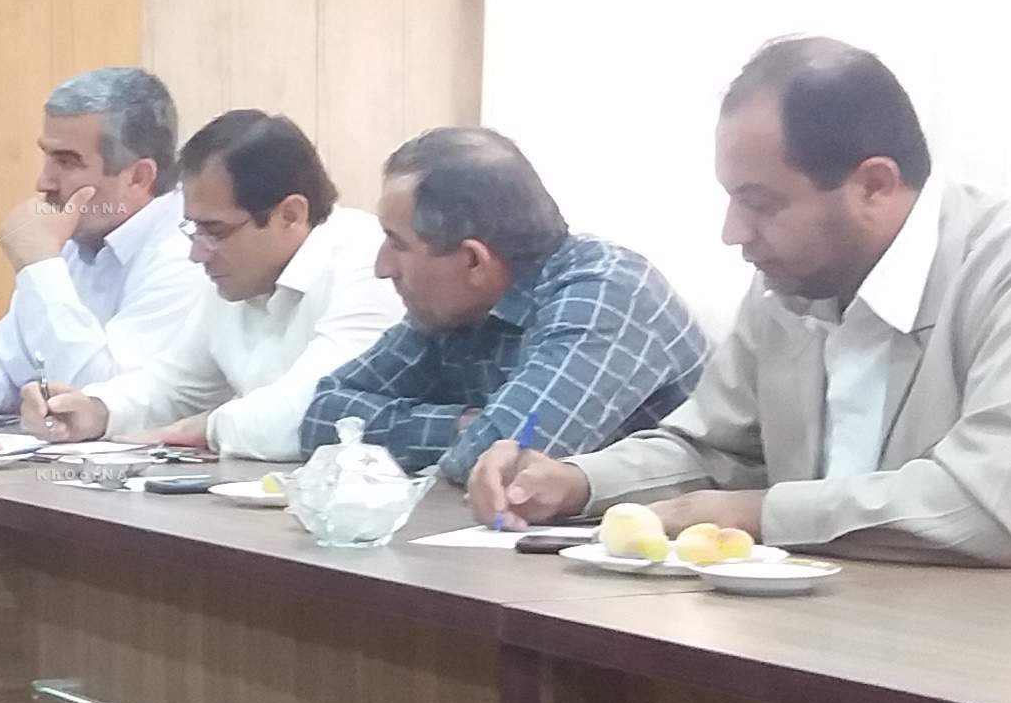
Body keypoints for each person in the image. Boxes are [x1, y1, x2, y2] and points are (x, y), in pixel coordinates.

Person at [483, 39, 1011, 567]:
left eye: (760, 203)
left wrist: (756, 515)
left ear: (874, 184)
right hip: (843, 631)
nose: (733, 233)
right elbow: (717, 450)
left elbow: (1002, 507)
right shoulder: (790, 282)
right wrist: (576, 482)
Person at [295, 126, 705, 476]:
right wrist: (461, 425)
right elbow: (323, 416)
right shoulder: (454, 309)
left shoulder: (609, 295)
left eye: (397, 244)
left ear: (474, 260)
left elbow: (500, 463)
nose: (382, 267)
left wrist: (477, 436)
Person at [23, 110, 402, 460]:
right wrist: (96, 410)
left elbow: (317, 414)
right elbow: (176, 386)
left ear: (290, 215)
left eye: (215, 230)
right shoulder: (237, 275)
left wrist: (207, 427)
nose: (197, 254)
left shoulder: (367, 266)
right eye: (194, 229)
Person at [0, 66, 204, 419]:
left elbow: (93, 398)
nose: (44, 182)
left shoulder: (188, 253)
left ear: (138, 177)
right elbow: (12, 356)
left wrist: (39, 263)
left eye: (67, 162)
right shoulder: (83, 235)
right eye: (47, 157)